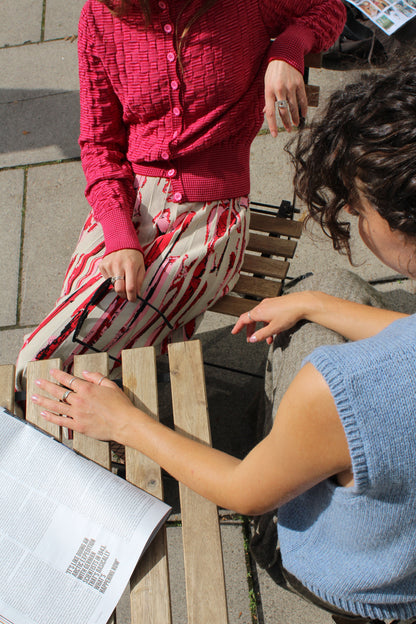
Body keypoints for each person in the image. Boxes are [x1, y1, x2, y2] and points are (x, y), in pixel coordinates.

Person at [31, 59, 416, 623]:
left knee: (307, 362)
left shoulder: (340, 390)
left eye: (358, 205)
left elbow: (247, 492)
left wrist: (125, 422)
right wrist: (315, 302)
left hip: (367, 581)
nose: (353, 216)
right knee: (333, 287)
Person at [14, 0, 345, 391]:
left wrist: (288, 47)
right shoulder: (100, 17)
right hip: (127, 203)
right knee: (79, 330)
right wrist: (121, 236)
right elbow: (99, 145)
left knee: (44, 361)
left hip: (213, 220)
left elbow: (328, 8)